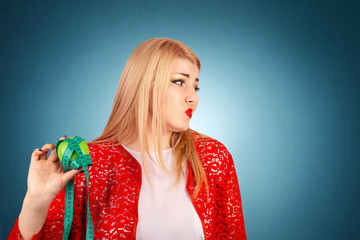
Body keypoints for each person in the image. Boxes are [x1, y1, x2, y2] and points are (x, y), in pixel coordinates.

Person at [9, 38, 246, 239]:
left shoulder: (214, 157)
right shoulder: (89, 164)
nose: (192, 97)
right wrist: (36, 202)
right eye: (179, 82)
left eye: (196, 87)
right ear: (144, 86)